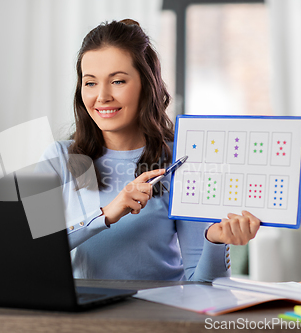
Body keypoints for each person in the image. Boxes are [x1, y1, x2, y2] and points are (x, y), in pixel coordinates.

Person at [40, 19, 260, 281]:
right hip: (82, 317)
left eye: (118, 81)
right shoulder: (57, 158)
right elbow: (28, 251)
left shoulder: (181, 162)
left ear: (146, 85)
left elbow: (200, 283)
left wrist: (214, 241)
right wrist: (107, 214)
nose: (102, 96)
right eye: (90, 83)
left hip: (157, 315)